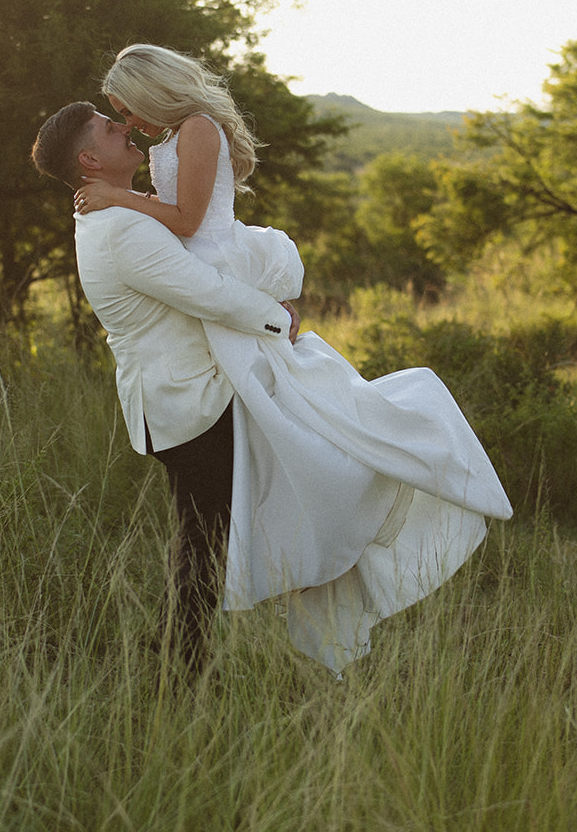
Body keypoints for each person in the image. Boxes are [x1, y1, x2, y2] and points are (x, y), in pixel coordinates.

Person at [73, 44, 513, 673]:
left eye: (127, 110)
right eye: (116, 119)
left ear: (151, 91)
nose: (130, 124)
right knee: (262, 470)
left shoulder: (197, 129)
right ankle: (248, 605)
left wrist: (120, 199)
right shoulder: (176, 133)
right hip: (208, 304)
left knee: (295, 445)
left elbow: (189, 218)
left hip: (217, 284)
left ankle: (336, 536)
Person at [30, 100, 299, 676]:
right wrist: (284, 321)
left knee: (205, 533)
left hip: (177, 399)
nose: (124, 127)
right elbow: (208, 292)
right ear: (88, 160)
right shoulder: (122, 229)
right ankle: (182, 669)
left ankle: (183, 654)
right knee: (203, 538)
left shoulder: (116, 215)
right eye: (109, 127)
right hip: (187, 404)